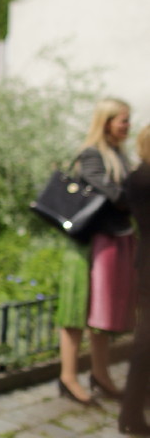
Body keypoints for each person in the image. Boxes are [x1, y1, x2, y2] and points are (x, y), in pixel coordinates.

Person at [56, 97, 135, 406]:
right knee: (76, 310)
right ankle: (68, 377)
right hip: (90, 244)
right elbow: (115, 196)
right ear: (106, 122)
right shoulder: (92, 155)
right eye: (123, 120)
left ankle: (100, 374)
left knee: (102, 314)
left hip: (113, 241)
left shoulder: (117, 154)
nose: (128, 125)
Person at [119, 124, 150, 435]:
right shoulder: (143, 178)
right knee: (145, 345)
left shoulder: (140, 175)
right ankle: (131, 412)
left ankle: (132, 409)